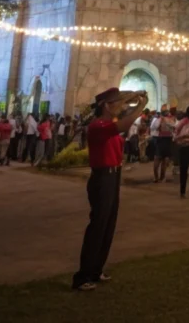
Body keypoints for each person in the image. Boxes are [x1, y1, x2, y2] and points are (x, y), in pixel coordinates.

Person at [72, 87, 148, 291]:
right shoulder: (98, 126)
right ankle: (82, 275)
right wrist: (140, 106)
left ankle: (96, 270)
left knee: (108, 225)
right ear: (106, 106)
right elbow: (125, 124)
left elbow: (121, 123)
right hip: (102, 177)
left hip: (114, 176)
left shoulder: (109, 123)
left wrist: (133, 99)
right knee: (98, 226)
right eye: (116, 102)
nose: (120, 106)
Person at [153, 108, 175, 183]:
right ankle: (160, 178)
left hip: (163, 140)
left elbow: (153, 127)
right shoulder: (168, 120)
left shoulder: (161, 120)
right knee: (162, 160)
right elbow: (175, 127)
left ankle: (158, 178)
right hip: (165, 140)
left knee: (160, 159)